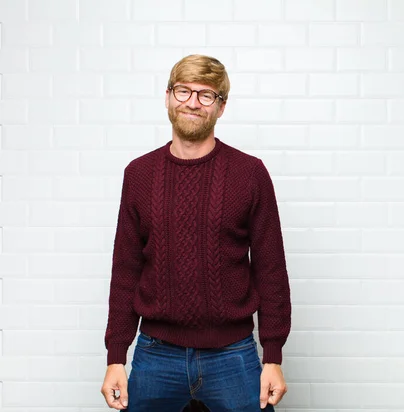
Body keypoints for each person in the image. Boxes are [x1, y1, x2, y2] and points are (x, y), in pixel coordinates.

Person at [100, 54, 292, 412]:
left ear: (221, 108)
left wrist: (273, 357)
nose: (192, 102)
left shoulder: (250, 174)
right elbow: (125, 270)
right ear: (168, 97)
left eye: (206, 95)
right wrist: (115, 356)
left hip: (233, 355)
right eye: (184, 91)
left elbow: (271, 270)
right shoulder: (138, 174)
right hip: (155, 355)